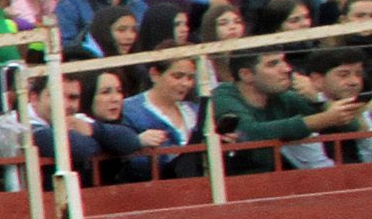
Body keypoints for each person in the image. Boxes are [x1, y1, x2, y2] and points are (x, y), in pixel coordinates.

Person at [212, 44, 361, 170]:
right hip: (228, 186)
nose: (286, 69)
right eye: (273, 64)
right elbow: (250, 132)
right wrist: (324, 118)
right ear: (246, 75)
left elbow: (350, 125)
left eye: (283, 61)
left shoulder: (283, 97)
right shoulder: (224, 96)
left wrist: (318, 98)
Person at [117, 56, 202, 177]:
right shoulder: (128, 110)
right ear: (154, 74)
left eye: (190, 78)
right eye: (177, 76)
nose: (186, 83)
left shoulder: (195, 111)